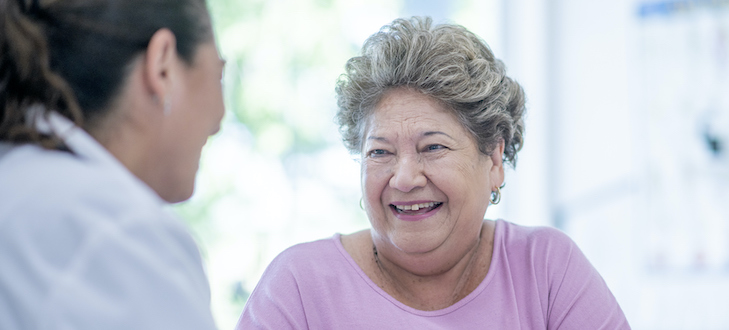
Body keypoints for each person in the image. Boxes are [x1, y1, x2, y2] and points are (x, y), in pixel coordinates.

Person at [236, 17, 631, 329]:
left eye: (433, 147)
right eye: (380, 152)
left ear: (494, 160)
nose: (404, 178)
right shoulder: (299, 286)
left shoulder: (546, 268)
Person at [0, 0, 224, 328]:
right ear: (162, 64)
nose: (219, 119)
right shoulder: (117, 231)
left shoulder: (20, 183)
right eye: (220, 73)